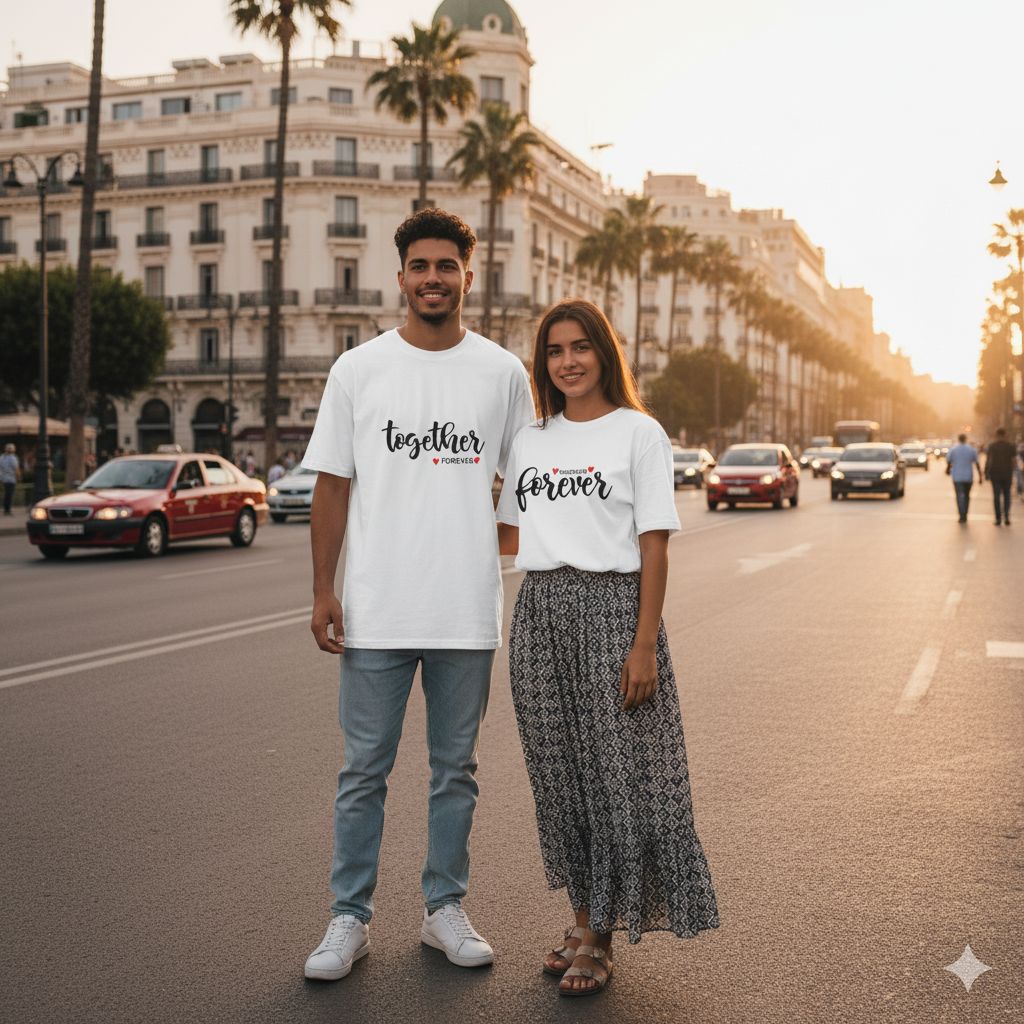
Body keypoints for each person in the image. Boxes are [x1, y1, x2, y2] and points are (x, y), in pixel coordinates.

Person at [300, 208, 534, 982]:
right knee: (363, 770)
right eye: (420, 266)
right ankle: (348, 919)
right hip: (376, 609)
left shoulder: (502, 372)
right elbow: (332, 487)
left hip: (465, 612)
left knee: (454, 771)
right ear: (399, 276)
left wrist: (483, 542)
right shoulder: (358, 370)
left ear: (468, 275)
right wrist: (322, 590)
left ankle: (443, 909)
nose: (433, 278)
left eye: (447, 266)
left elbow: (524, 487)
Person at [496, 299, 719, 998]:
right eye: (555, 349)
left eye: (581, 347)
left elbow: (653, 543)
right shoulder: (531, 440)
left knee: (617, 780)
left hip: (613, 610)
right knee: (559, 780)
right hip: (539, 614)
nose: (568, 360)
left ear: (604, 353)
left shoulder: (638, 433)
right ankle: (583, 919)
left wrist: (643, 641)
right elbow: (509, 534)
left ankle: (602, 937)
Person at [945, 433, 982, 523]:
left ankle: (961, 515)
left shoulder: (954, 449)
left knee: (959, 496)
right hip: (968, 477)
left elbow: (949, 461)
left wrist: (947, 470)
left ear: (958, 439)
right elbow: (977, 463)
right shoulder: (971, 449)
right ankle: (965, 513)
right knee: (967, 496)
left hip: (957, 477)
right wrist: (981, 476)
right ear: (966, 439)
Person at [985, 427, 1016, 526]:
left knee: (996, 497)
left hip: (995, 474)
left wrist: (986, 472)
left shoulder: (992, 446)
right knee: (1007, 496)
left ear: (996, 435)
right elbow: (1014, 461)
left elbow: (989, 460)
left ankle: (998, 518)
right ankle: (1006, 516)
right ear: (1005, 435)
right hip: (1007, 474)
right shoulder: (1010, 446)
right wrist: (1012, 471)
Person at [0, 443, 20, 515]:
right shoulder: (13, 458)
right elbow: (16, 468)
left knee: (6, 494)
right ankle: (8, 510)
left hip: (4, 478)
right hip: (11, 479)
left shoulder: (2, 457)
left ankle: (6, 509)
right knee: (10, 495)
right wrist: (19, 477)